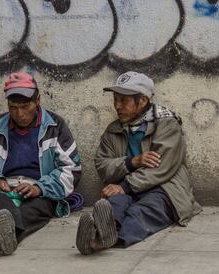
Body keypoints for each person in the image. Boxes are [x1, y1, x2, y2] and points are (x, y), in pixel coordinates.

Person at [76, 71, 201, 255]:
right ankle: (100, 231)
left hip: (164, 188)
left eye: (123, 100)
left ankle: (102, 241)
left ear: (142, 101)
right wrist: (131, 162)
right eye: (115, 99)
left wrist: (125, 186)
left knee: (143, 211)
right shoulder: (114, 130)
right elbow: (103, 166)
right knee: (114, 204)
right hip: (127, 187)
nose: (117, 106)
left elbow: (162, 168)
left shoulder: (166, 124)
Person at [0, 71, 81, 259]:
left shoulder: (55, 125)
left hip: (40, 193)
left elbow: (73, 169)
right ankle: (2, 236)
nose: (19, 114)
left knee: (35, 209)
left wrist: (40, 187)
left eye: (25, 106)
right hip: (4, 191)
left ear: (38, 101)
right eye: (13, 107)